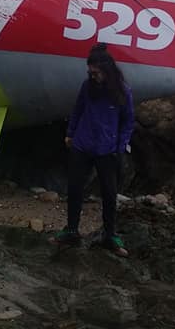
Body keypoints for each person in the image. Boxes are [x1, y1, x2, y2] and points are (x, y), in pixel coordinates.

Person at [52, 42, 134, 256]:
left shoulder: (123, 91)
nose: (92, 76)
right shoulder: (87, 87)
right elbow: (78, 110)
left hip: (107, 149)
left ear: (107, 71)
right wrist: (70, 133)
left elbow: (127, 121)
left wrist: (120, 146)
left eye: (96, 73)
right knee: (75, 188)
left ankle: (110, 235)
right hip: (83, 144)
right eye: (90, 73)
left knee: (109, 193)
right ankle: (71, 230)